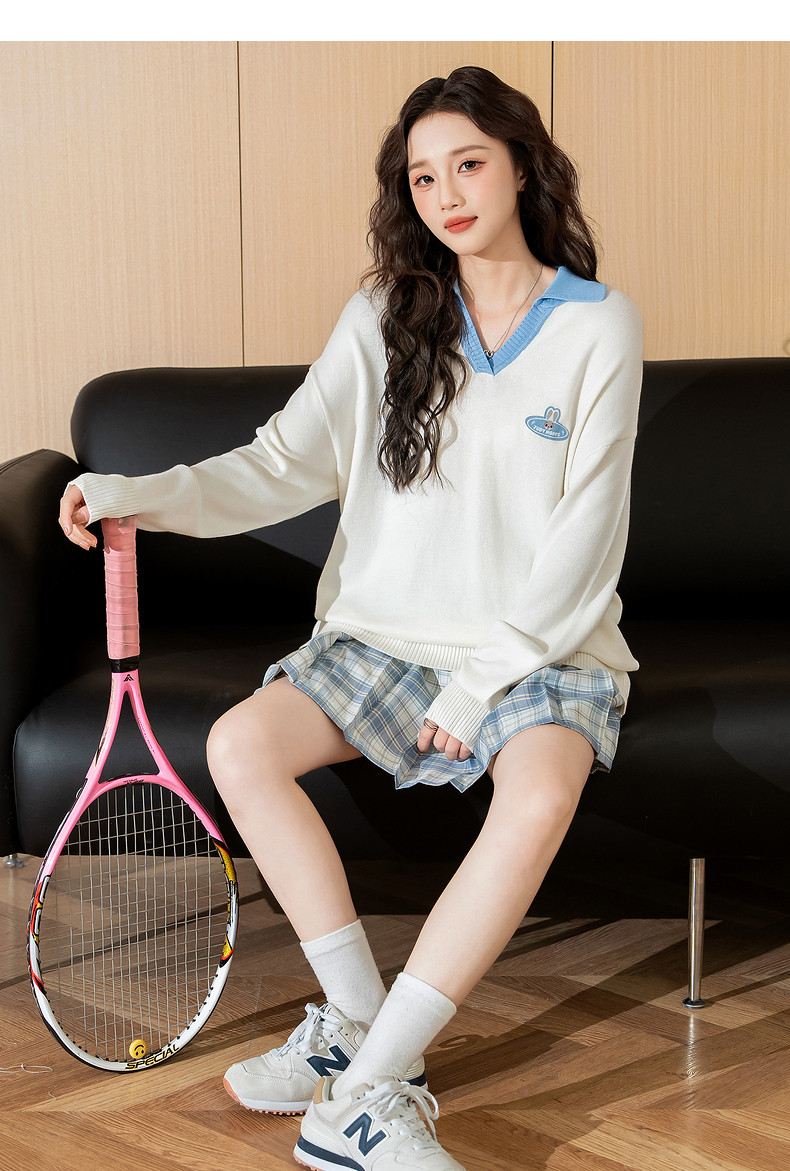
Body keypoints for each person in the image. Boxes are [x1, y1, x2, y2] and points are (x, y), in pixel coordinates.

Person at [59, 65, 643, 1171]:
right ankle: (362, 1039)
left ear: (522, 166)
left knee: (540, 791)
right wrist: (139, 493)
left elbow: (588, 534)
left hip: (538, 648)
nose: (446, 194)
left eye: (468, 164)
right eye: (422, 177)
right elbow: (279, 464)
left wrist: (481, 683)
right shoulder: (382, 318)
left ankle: (364, 1095)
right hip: (384, 635)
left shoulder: (599, 324)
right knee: (240, 742)